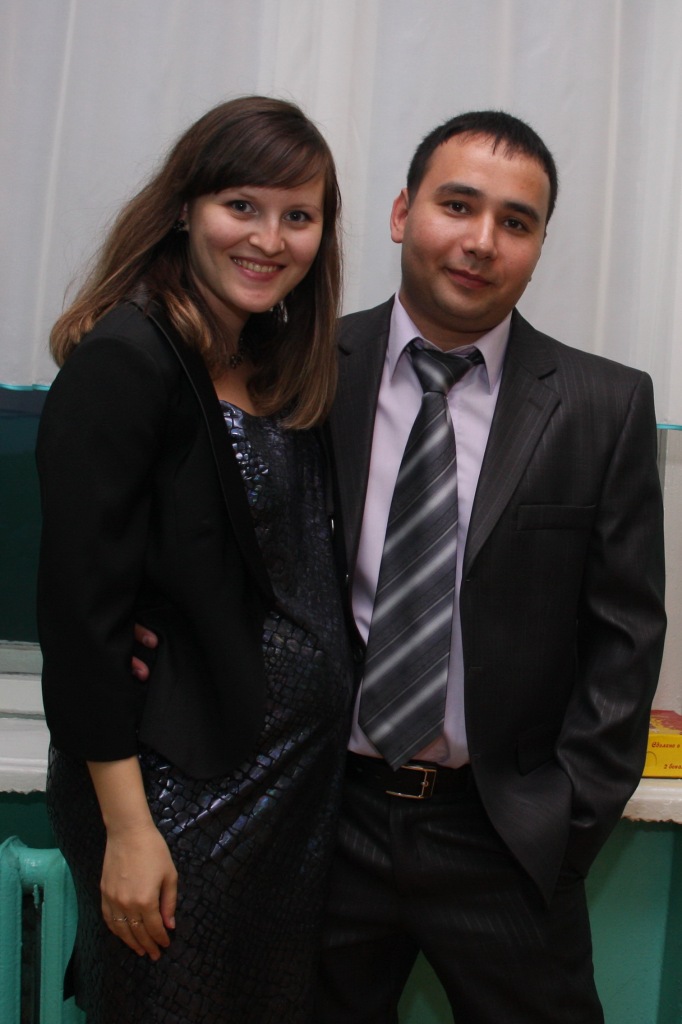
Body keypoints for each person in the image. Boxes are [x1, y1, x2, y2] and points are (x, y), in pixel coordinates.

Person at [313, 111, 667, 1023]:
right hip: (324, 822)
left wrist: (565, 823)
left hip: (502, 834)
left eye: (516, 221)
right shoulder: (304, 371)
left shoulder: (603, 405)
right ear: (403, 213)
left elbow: (626, 638)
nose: (481, 241)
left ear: (540, 246)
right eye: (458, 205)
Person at [36, 96, 352, 1024]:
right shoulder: (127, 359)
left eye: (298, 216)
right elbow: (80, 620)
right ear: (184, 207)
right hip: (176, 794)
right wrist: (130, 830)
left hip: (292, 794)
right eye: (241, 206)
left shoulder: (277, 358)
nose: (269, 239)